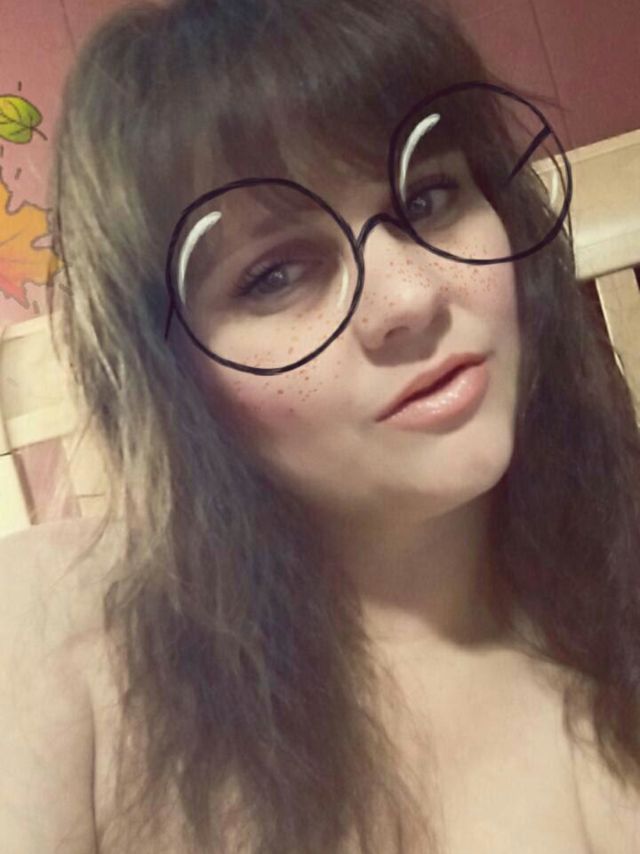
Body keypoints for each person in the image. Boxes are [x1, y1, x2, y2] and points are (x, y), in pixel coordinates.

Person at [2, 0, 640, 851]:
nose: (412, 297)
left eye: (430, 196)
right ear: (172, 379)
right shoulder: (52, 634)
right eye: (273, 275)